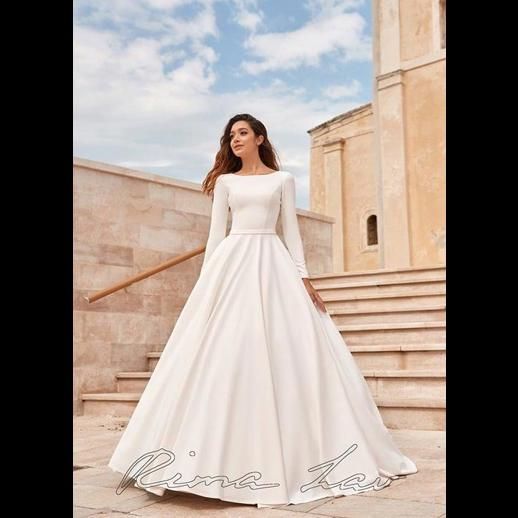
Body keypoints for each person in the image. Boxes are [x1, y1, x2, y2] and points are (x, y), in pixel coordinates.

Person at [108, 113, 417, 508]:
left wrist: (305, 281)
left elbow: (292, 235)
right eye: (230, 135)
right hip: (231, 264)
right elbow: (215, 234)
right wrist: (206, 288)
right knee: (220, 354)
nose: (234, 140)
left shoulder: (282, 180)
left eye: (241, 133)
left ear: (259, 137)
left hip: (273, 265)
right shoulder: (225, 182)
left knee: (281, 351)